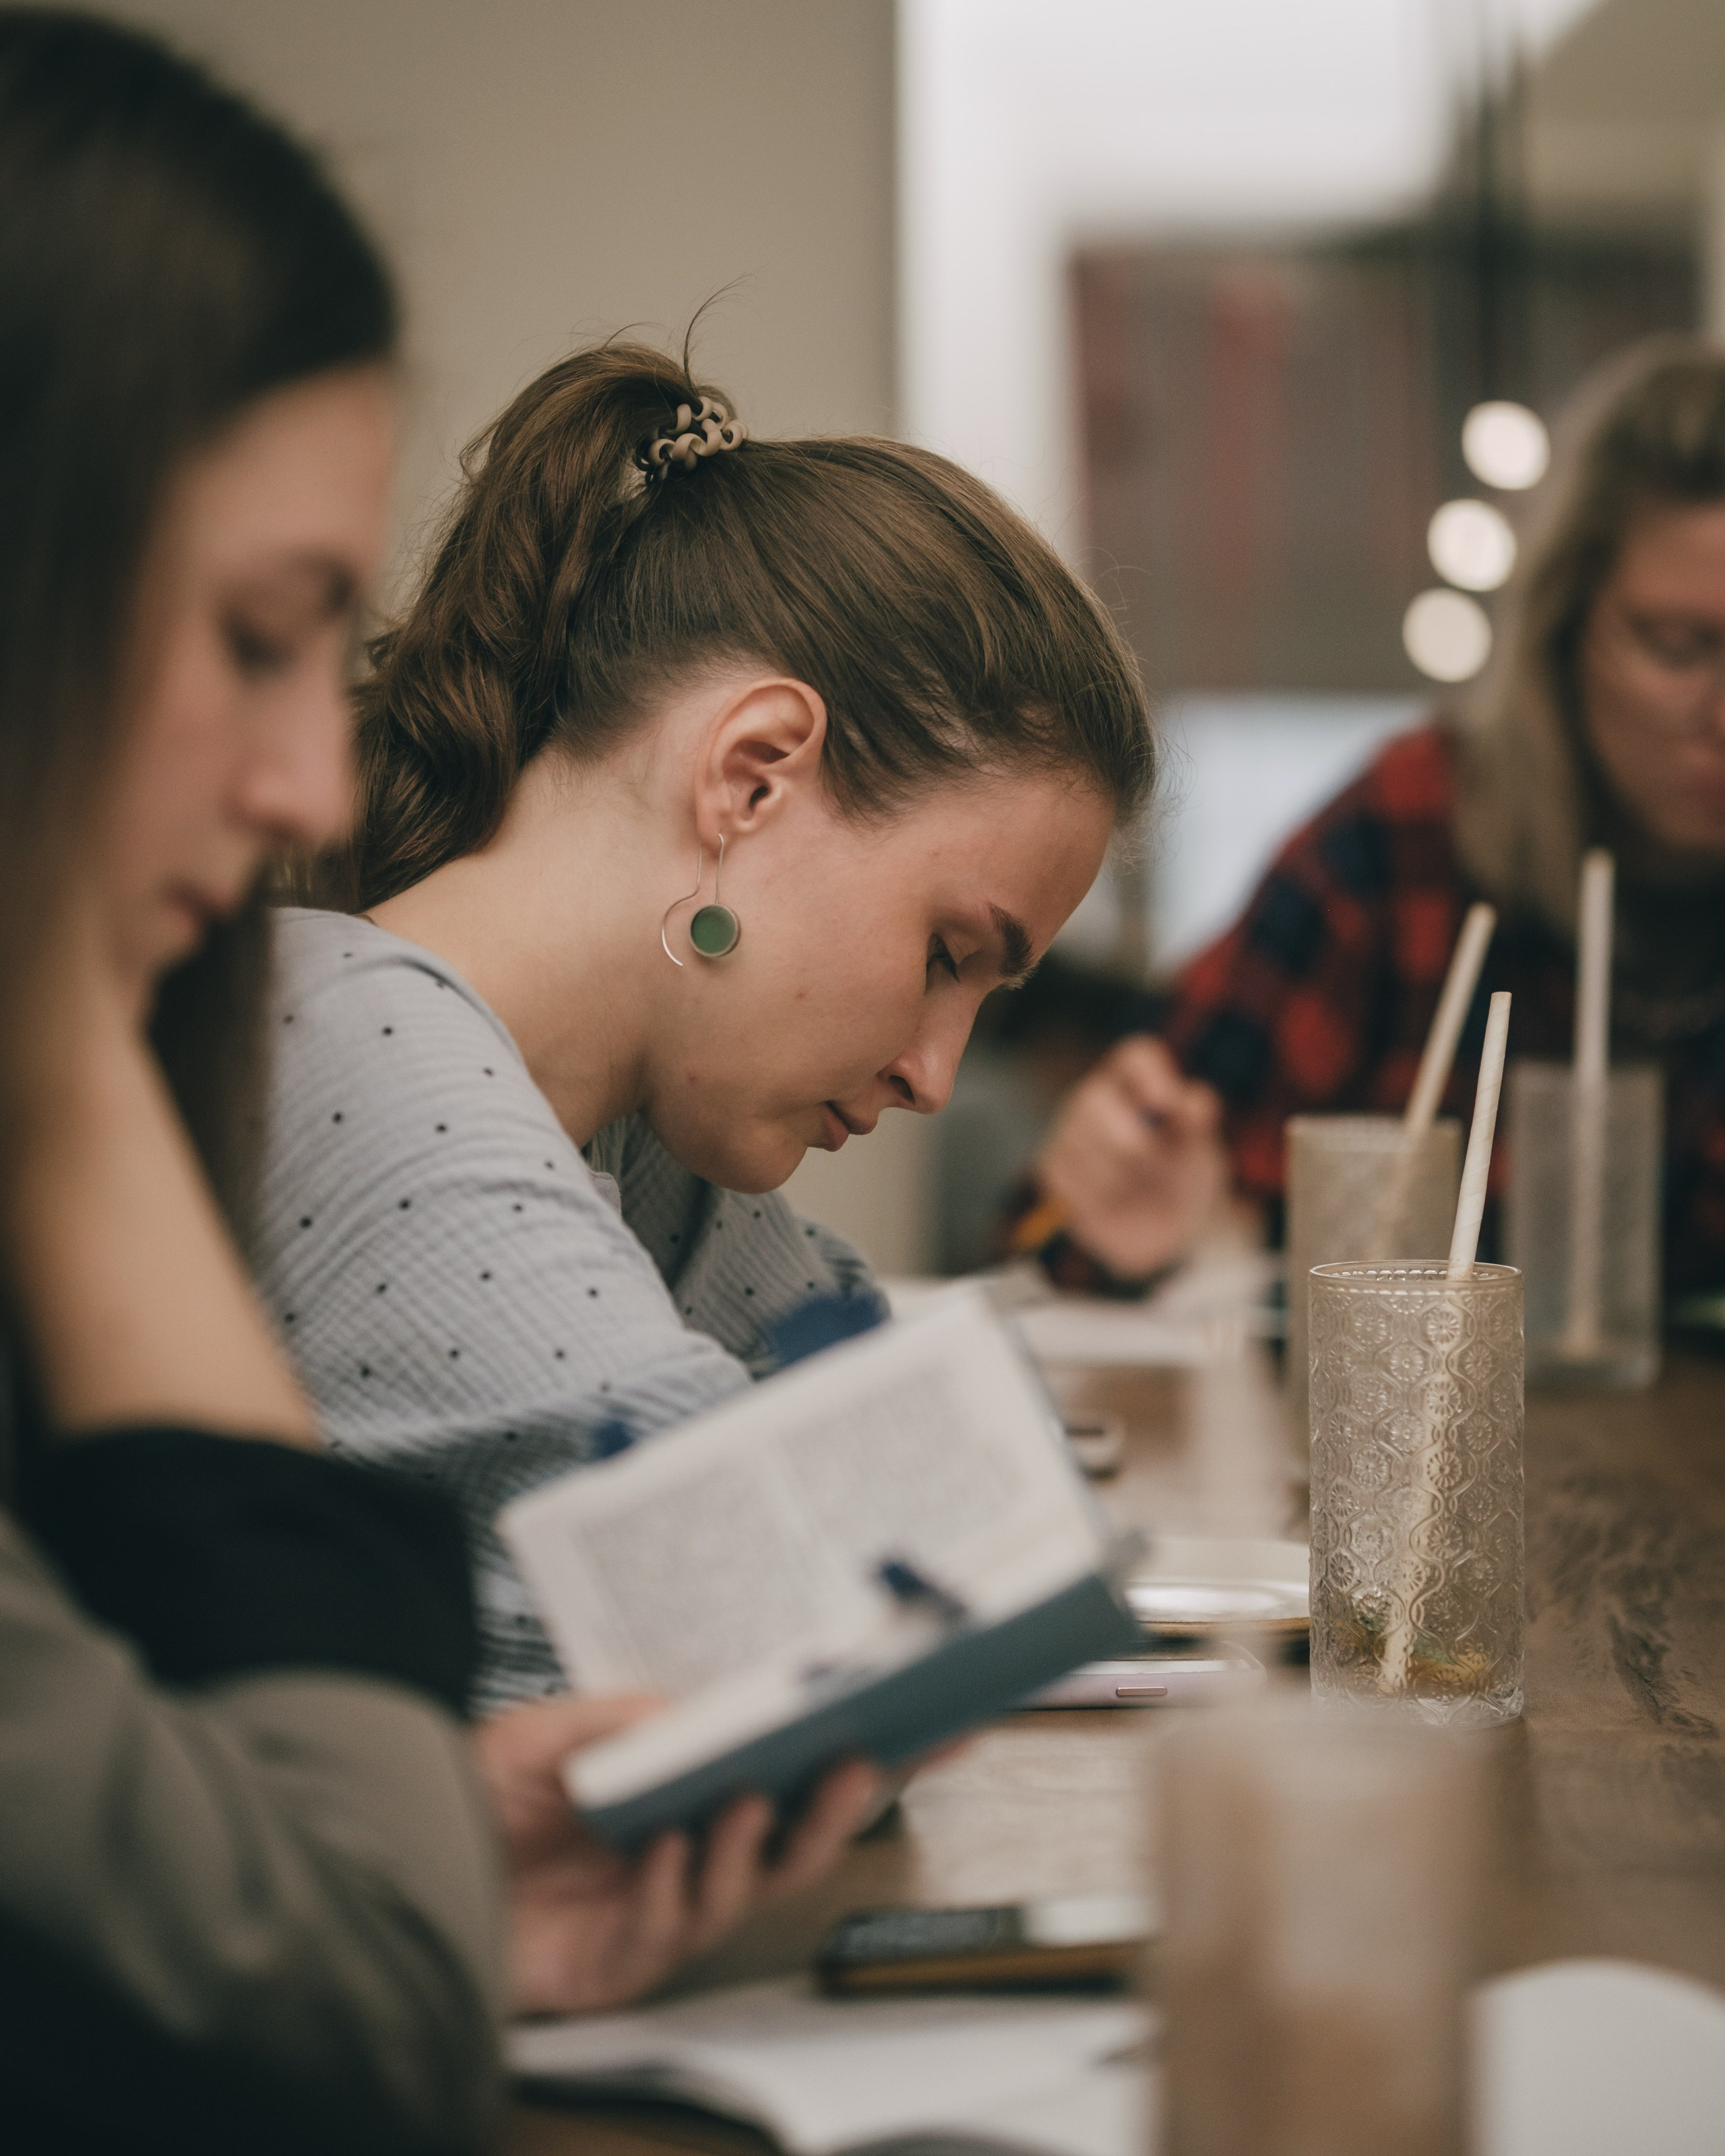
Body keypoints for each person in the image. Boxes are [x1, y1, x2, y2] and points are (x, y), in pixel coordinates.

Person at [0, 17, 873, 2151]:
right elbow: (350, 2046)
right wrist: (76, 1080)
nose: (311, 777)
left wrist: (404, 1867)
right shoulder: (354, 1022)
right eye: (252, 631)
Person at [253, 342, 1154, 1707]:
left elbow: (953, 1462)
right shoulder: (346, 1040)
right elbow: (796, 1638)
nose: (934, 1071)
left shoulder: (638, 1135)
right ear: (749, 778)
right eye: (945, 955)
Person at [1009, 340, 1725, 1302]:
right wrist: (1156, 1216)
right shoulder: (1404, 840)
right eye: (1678, 646)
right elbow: (1060, 1230)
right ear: (1563, 633)